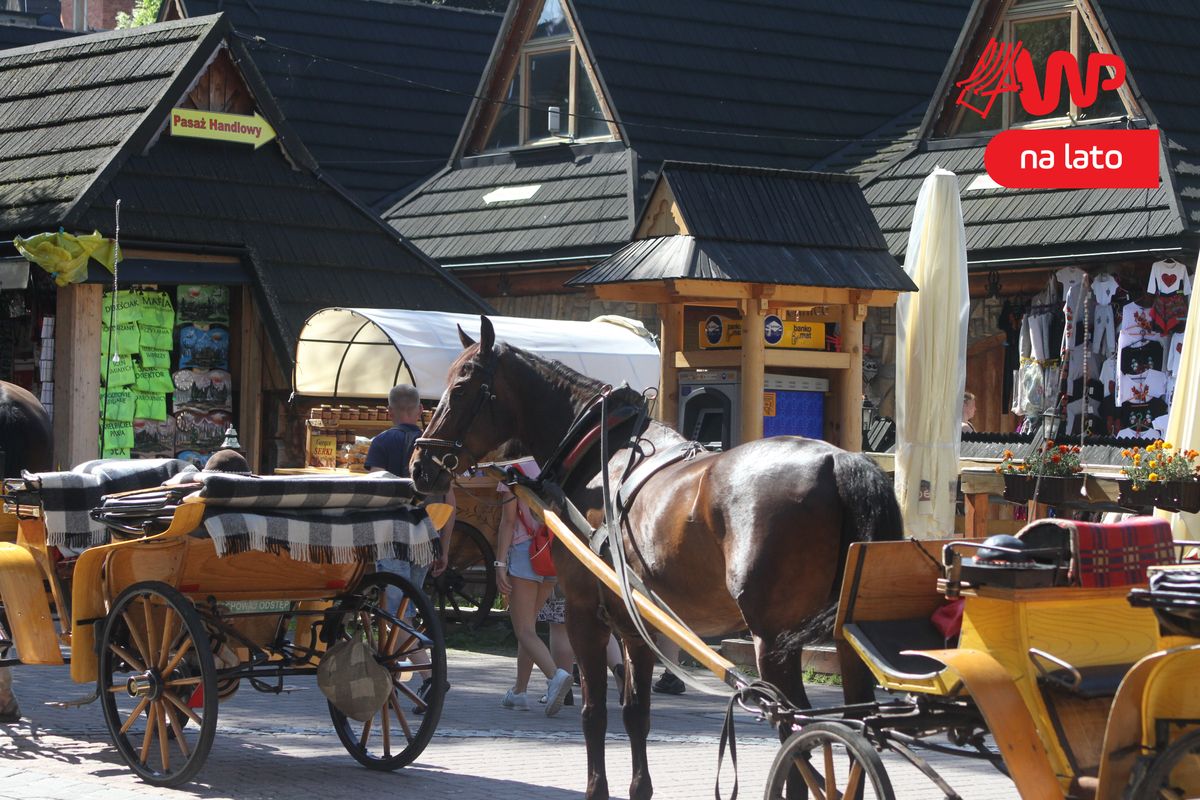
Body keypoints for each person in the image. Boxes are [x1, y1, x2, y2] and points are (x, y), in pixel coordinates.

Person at [365, 384, 455, 710]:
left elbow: (377, 487)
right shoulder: (434, 449)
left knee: (394, 613)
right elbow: (450, 501)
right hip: (424, 539)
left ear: (390, 411)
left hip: (391, 537)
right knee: (407, 610)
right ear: (419, 411)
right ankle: (390, 684)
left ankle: (431, 676)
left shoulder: (382, 443)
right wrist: (443, 548)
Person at [495, 458, 573, 716]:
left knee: (524, 630)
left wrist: (499, 564)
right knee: (528, 629)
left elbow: (508, 522)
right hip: (550, 554)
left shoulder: (512, 471)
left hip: (523, 553)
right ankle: (519, 691)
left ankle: (555, 676)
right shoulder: (555, 465)